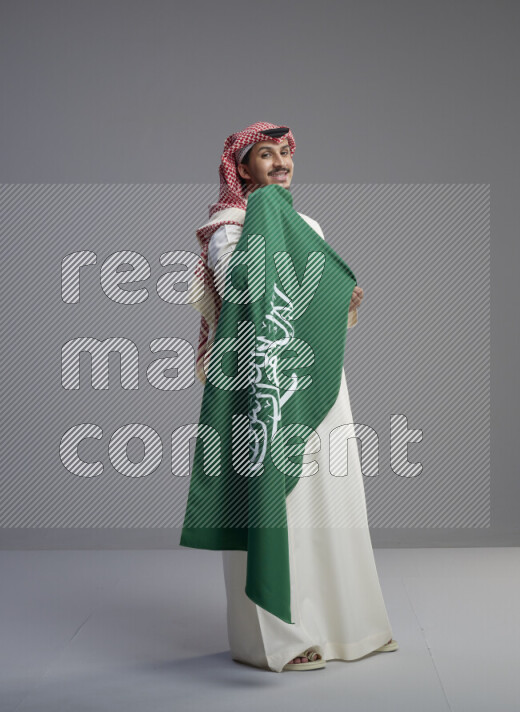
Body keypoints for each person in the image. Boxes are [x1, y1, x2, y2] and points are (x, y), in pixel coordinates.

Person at [186, 121, 397, 672]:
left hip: (314, 382)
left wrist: (342, 297)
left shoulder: (308, 225)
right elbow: (246, 291)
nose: (280, 162)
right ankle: (275, 639)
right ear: (242, 167)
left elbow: (315, 299)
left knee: (326, 495)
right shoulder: (228, 226)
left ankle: (345, 625)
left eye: (285, 153)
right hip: (261, 387)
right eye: (266, 154)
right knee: (270, 498)